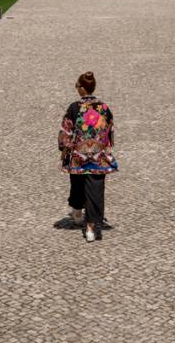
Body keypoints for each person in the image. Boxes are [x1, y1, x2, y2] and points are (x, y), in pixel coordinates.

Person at [58, 71, 117, 242]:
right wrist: (107, 149)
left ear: (82, 89)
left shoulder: (74, 108)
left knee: (77, 183)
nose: (76, 88)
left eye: (77, 86)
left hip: (78, 155)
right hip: (98, 155)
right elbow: (109, 130)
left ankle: (77, 210)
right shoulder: (104, 108)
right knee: (96, 190)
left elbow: (66, 130)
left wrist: (64, 147)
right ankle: (91, 227)